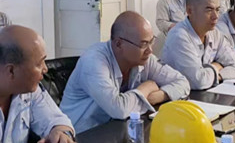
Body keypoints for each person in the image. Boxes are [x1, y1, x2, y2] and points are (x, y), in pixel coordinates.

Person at [60, 11, 190, 133]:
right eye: (143, 44)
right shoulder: (94, 61)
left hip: (114, 131)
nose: (150, 50)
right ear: (118, 44)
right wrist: (146, 88)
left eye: (151, 41)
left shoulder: (145, 59)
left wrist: (160, 96)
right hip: (80, 138)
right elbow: (119, 109)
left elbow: (182, 82)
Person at [162, 0, 235, 90]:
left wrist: (214, 75)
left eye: (217, 10)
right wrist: (217, 66)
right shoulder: (179, 36)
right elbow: (199, 81)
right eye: (209, 10)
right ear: (190, 11)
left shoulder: (215, 33)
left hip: (207, 93)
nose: (215, 16)